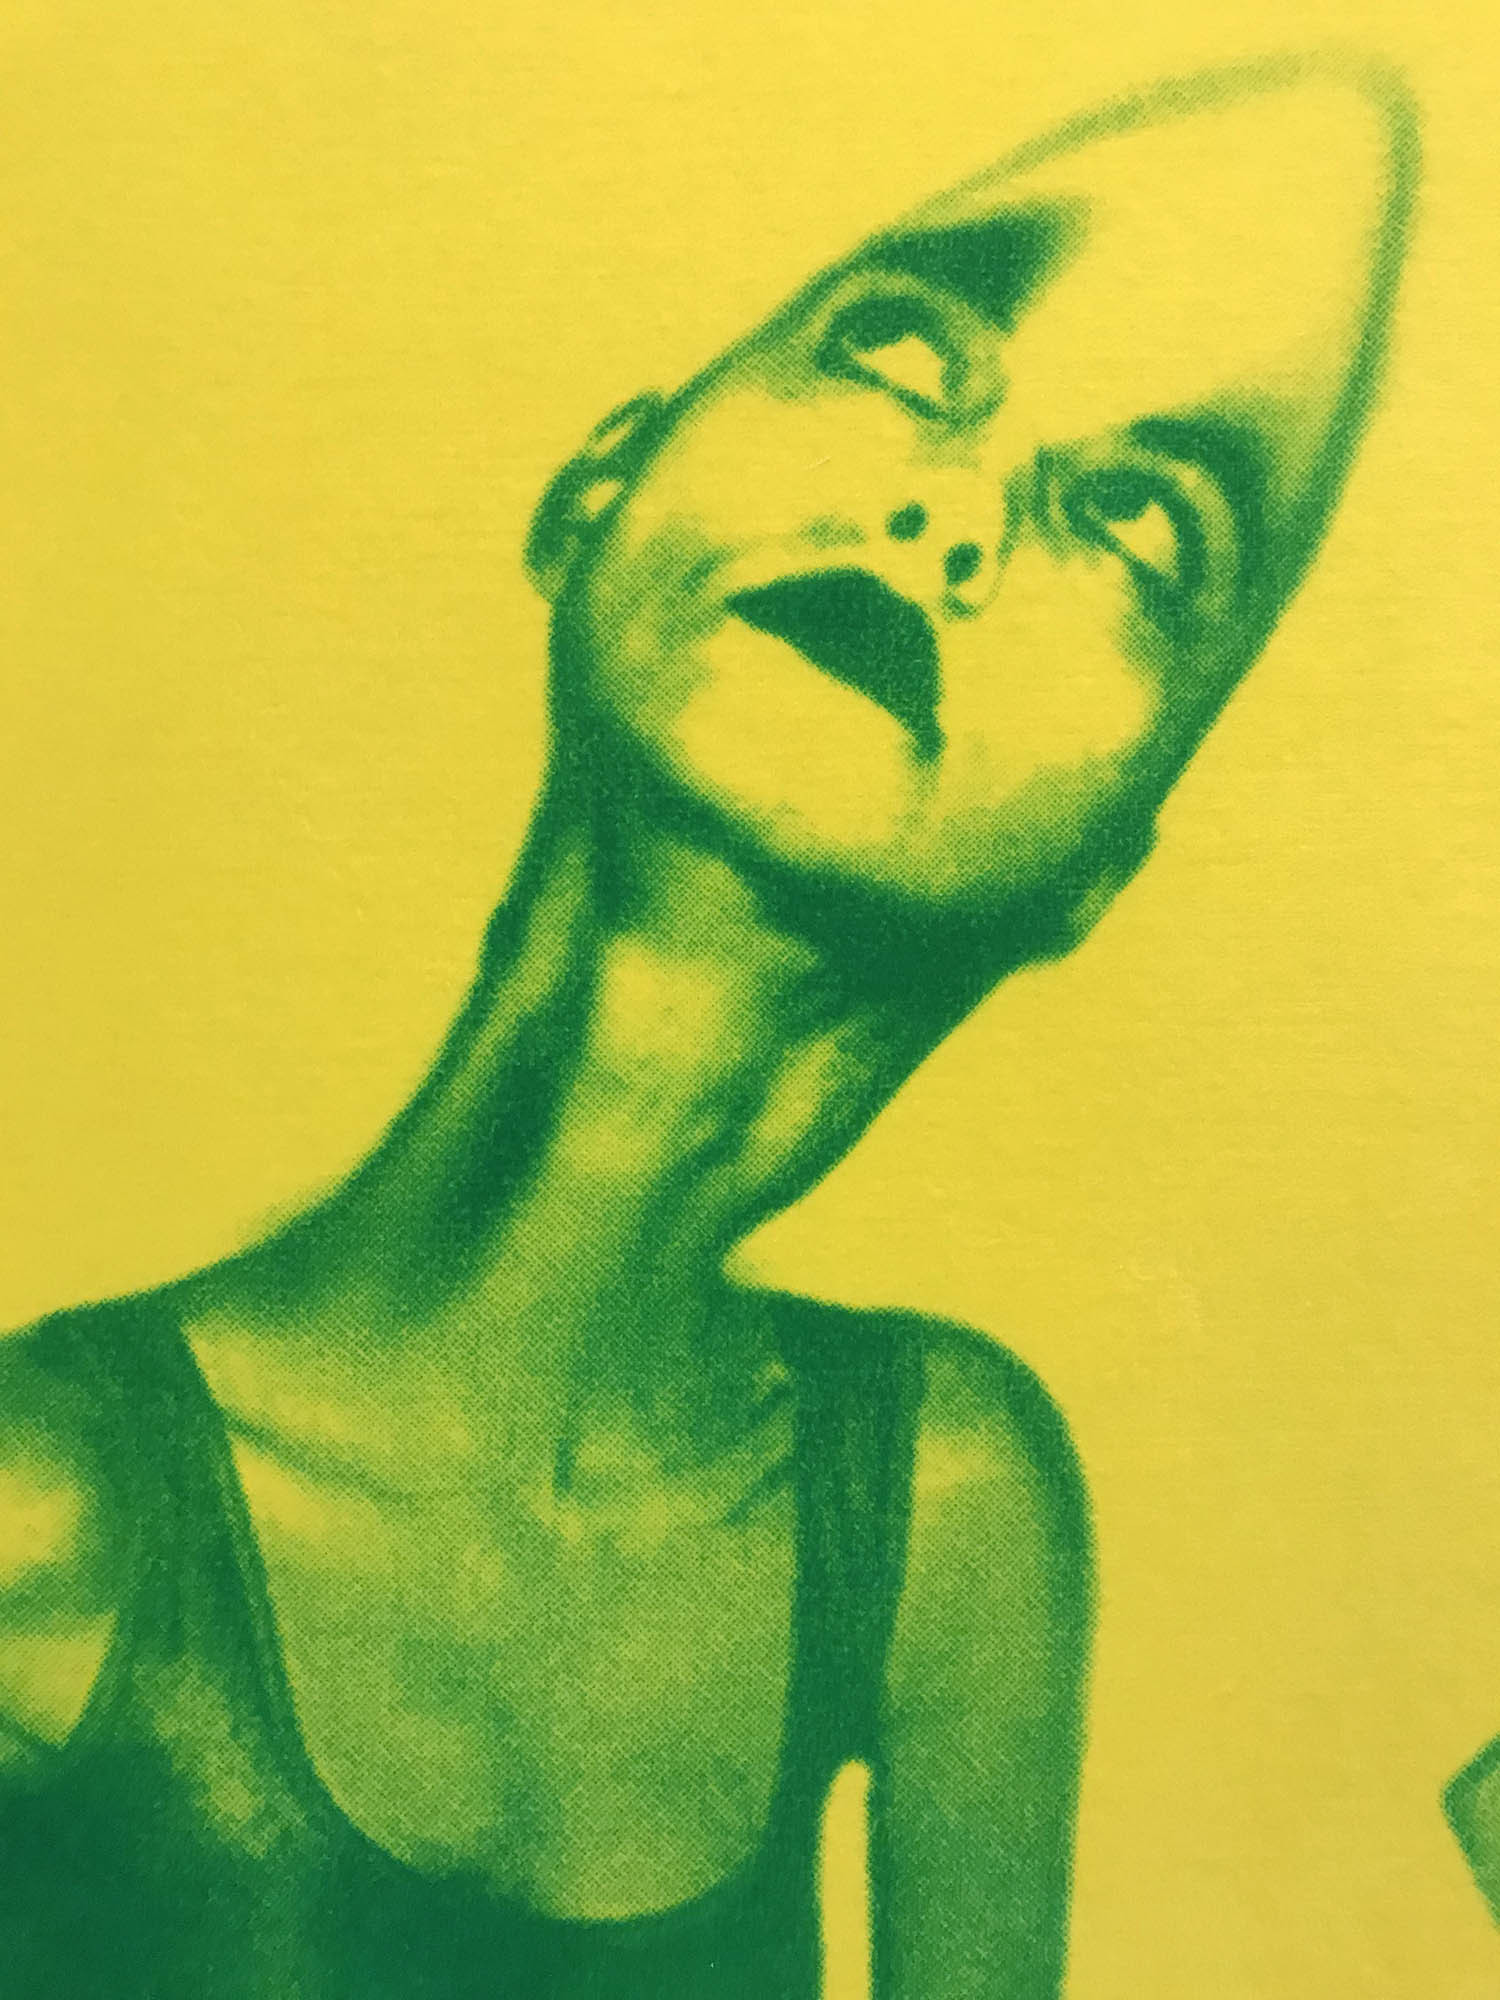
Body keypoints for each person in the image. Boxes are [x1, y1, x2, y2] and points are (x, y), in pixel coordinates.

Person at [0, 55, 1414, 2000]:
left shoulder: (938, 1498)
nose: (958, 513)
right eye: (903, 358)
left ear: (1104, 863)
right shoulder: (43, 1498)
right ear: (603, 481)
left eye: (1142, 529)